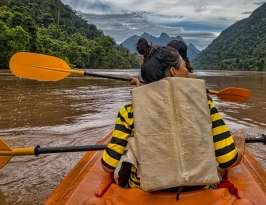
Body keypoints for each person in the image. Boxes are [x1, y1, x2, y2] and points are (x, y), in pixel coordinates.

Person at [100, 37, 243, 191]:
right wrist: (240, 150)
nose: (187, 69)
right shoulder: (205, 105)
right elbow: (227, 159)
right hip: (197, 190)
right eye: (184, 66)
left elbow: (108, 166)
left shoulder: (128, 111)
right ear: (174, 72)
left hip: (144, 191)